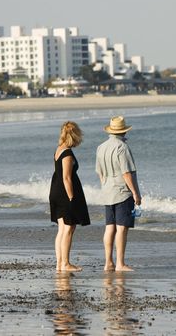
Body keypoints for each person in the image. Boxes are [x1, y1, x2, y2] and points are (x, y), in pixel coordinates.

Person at [96, 116, 142, 272]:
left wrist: (106, 185)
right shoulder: (122, 147)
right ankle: (120, 263)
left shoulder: (101, 147)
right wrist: (136, 193)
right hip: (122, 192)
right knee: (122, 228)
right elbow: (127, 173)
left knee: (110, 227)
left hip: (107, 191)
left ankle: (108, 262)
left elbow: (100, 173)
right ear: (123, 131)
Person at [49, 121, 91, 272]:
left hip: (56, 191)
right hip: (64, 193)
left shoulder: (59, 149)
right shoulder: (66, 153)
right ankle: (65, 263)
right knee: (68, 228)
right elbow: (67, 178)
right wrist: (72, 198)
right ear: (75, 135)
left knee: (62, 229)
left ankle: (59, 263)